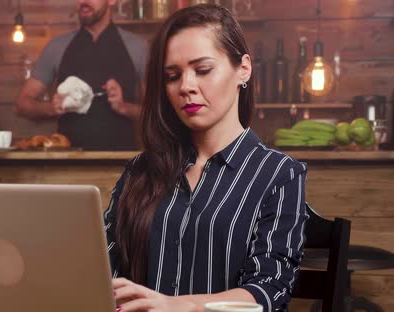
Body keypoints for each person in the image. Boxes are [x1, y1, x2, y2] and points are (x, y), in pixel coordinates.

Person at [104, 4, 308, 312]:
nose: (186, 86)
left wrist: (174, 306)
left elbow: (268, 291)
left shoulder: (279, 175)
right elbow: (101, 266)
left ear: (243, 69)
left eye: (203, 70)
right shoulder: (139, 170)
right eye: (172, 76)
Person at [14, 0, 148, 151]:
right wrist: (51, 108)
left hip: (121, 164)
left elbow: (157, 114)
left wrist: (124, 107)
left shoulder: (138, 48)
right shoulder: (57, 47)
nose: (83, 2)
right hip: (67, 164)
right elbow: (22, 105)